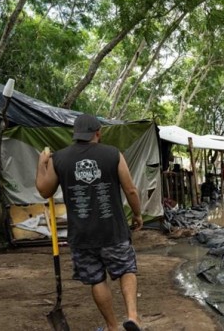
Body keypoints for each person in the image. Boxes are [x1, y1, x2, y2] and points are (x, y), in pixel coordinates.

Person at [36, 114, 143, 331]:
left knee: (96, 280)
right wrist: (137, 214)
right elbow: (130, 189)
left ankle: (112, 327)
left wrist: (41, 164)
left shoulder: (59, 159)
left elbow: (44, 190)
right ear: (98, 132)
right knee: (126, 270)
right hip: (113, 231)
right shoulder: (113, 154)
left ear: (75, 135)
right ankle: (132, 317)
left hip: (82, 235)